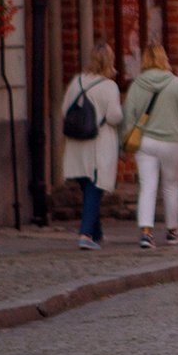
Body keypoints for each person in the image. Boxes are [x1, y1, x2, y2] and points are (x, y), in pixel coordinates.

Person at [124, 43, 178, 251]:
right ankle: (173, 231)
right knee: (171, 187)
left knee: (147, 187)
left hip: (145, 142)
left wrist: (125, 143)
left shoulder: (138, 84)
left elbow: (128, 115)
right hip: (171, 142)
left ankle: (147, 234)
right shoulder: (175, 83)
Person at [58, 46, 123, 251]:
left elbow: (63, 109)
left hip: (77, 141)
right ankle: (85, 234)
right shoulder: (109, 86)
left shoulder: (77, 81)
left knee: (86, 184)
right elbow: (114, 116)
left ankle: (97, 232)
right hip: (98, 141)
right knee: (96, 185)